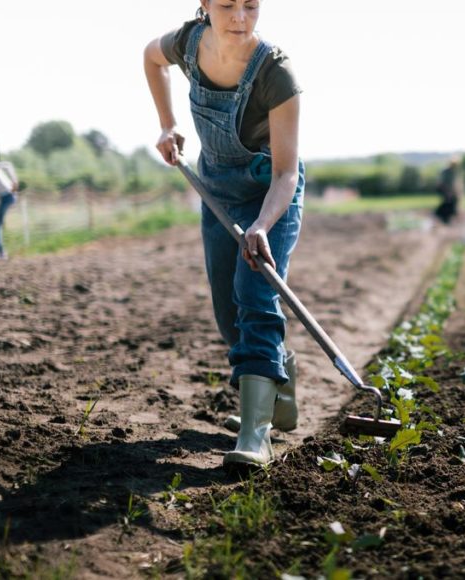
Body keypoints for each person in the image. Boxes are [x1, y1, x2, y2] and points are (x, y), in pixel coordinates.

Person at [143, 0, 304, 468]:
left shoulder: (277, 74)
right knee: (228, 308)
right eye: (228, 5)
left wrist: (261, 225)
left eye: (251, 6)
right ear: (205, 5)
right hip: (216, 191)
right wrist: (167, 124)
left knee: (255, 296)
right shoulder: (188, 43)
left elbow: (286, 174)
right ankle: (278, 388)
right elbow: (150, 58)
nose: (240, 17)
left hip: (268, 195)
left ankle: (256, 434)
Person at [434, 155, 463, 226]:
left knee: (453, 201)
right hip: (443, 189)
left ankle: (446, 217)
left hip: (450, 191)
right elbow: (441, 183)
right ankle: (442, 216)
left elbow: (456, 183)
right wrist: (447, 192)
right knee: (448, 201)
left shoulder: (454, 172)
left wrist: (458, 192)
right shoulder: (446, 172)